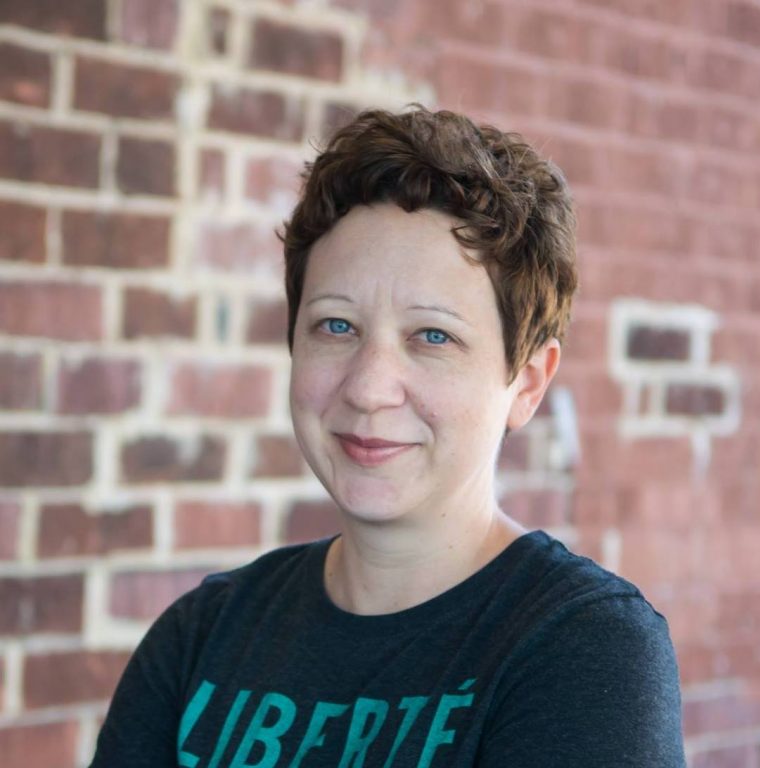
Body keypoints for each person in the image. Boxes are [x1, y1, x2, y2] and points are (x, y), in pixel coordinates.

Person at [90, 106, 686, 767]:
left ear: (527, 383)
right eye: (336, 326)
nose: (370, 387)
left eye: (433, 336)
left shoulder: (580, 648)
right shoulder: (200, 638)